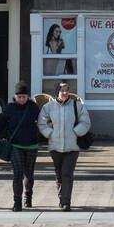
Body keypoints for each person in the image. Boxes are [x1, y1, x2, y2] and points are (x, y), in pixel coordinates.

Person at [37, 81, 91, 211]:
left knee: (67, 173)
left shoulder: (77, 106)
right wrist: (50, 133)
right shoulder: (48, 107)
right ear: (57, 92)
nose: (65, 93)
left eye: (67, 90)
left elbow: (86, 122)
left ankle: (66, 201)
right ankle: (61, 197)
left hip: (72, 146)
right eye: (62, 91)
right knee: (59, 174)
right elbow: (41, 122)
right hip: (55, 146)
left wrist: (76, 131)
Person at [0, 83, 41, 211]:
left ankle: (28, 196)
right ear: (15, 96)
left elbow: (42, 122)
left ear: (28, 96)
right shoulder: (10, 108)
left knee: (29, 174)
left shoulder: (33, 107)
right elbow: (1, 124)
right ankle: (17, 202)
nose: (21, 99)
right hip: (15, 144)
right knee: (18, 173)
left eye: (24, 97)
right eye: (19, 96)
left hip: (31, 144)